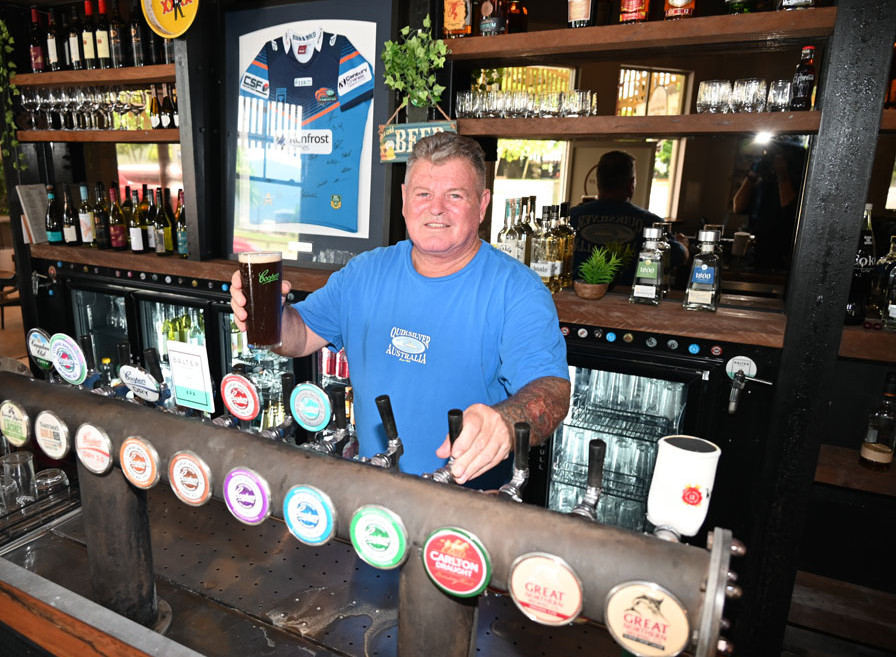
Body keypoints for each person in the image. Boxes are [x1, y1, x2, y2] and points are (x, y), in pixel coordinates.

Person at [230, 132, 571, 487]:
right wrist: (268, 316)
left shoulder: (517, 290)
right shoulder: (364, 273)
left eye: (455, 195)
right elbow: (298, 337)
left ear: (482, 205)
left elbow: (553, 389)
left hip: (467, 507)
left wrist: (505, 420)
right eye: (424, 194)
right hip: (372, 491)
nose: (436, 208)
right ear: (405, 199)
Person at [569, 151, 687, 285]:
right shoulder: (651, 223)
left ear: (598, 182)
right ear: (631, 184)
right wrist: (683, 245)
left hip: (576, 295)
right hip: (631, 299)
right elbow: (677, 257)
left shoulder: (572, 217)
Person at [732, 138, 805, 271]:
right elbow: (738, 207)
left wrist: (782, 176)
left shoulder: (798, 183)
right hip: (755, 252)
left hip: (782, 255)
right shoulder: (763, 185)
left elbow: (789, 209)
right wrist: (752, 176)